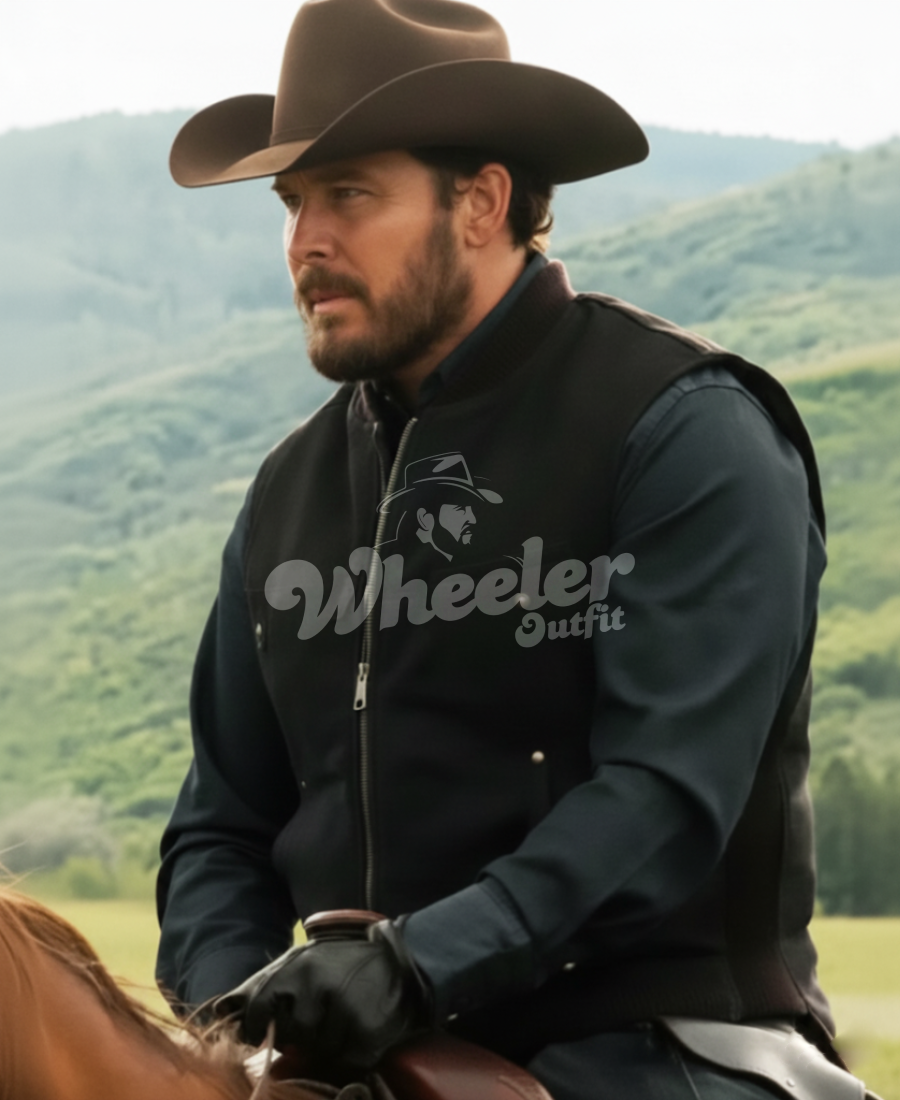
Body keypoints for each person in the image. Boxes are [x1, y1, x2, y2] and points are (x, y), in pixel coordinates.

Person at [156, 2, 863, 1097]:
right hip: (355, 1065)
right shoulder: (286, 493)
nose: (305, 242)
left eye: (349, 194)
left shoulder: (682, 426)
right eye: (293, 203)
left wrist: (418, 965)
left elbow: (664, 795)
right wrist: (232, 1017)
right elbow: (220, 822)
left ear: (481, 201)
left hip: (665, 1047)